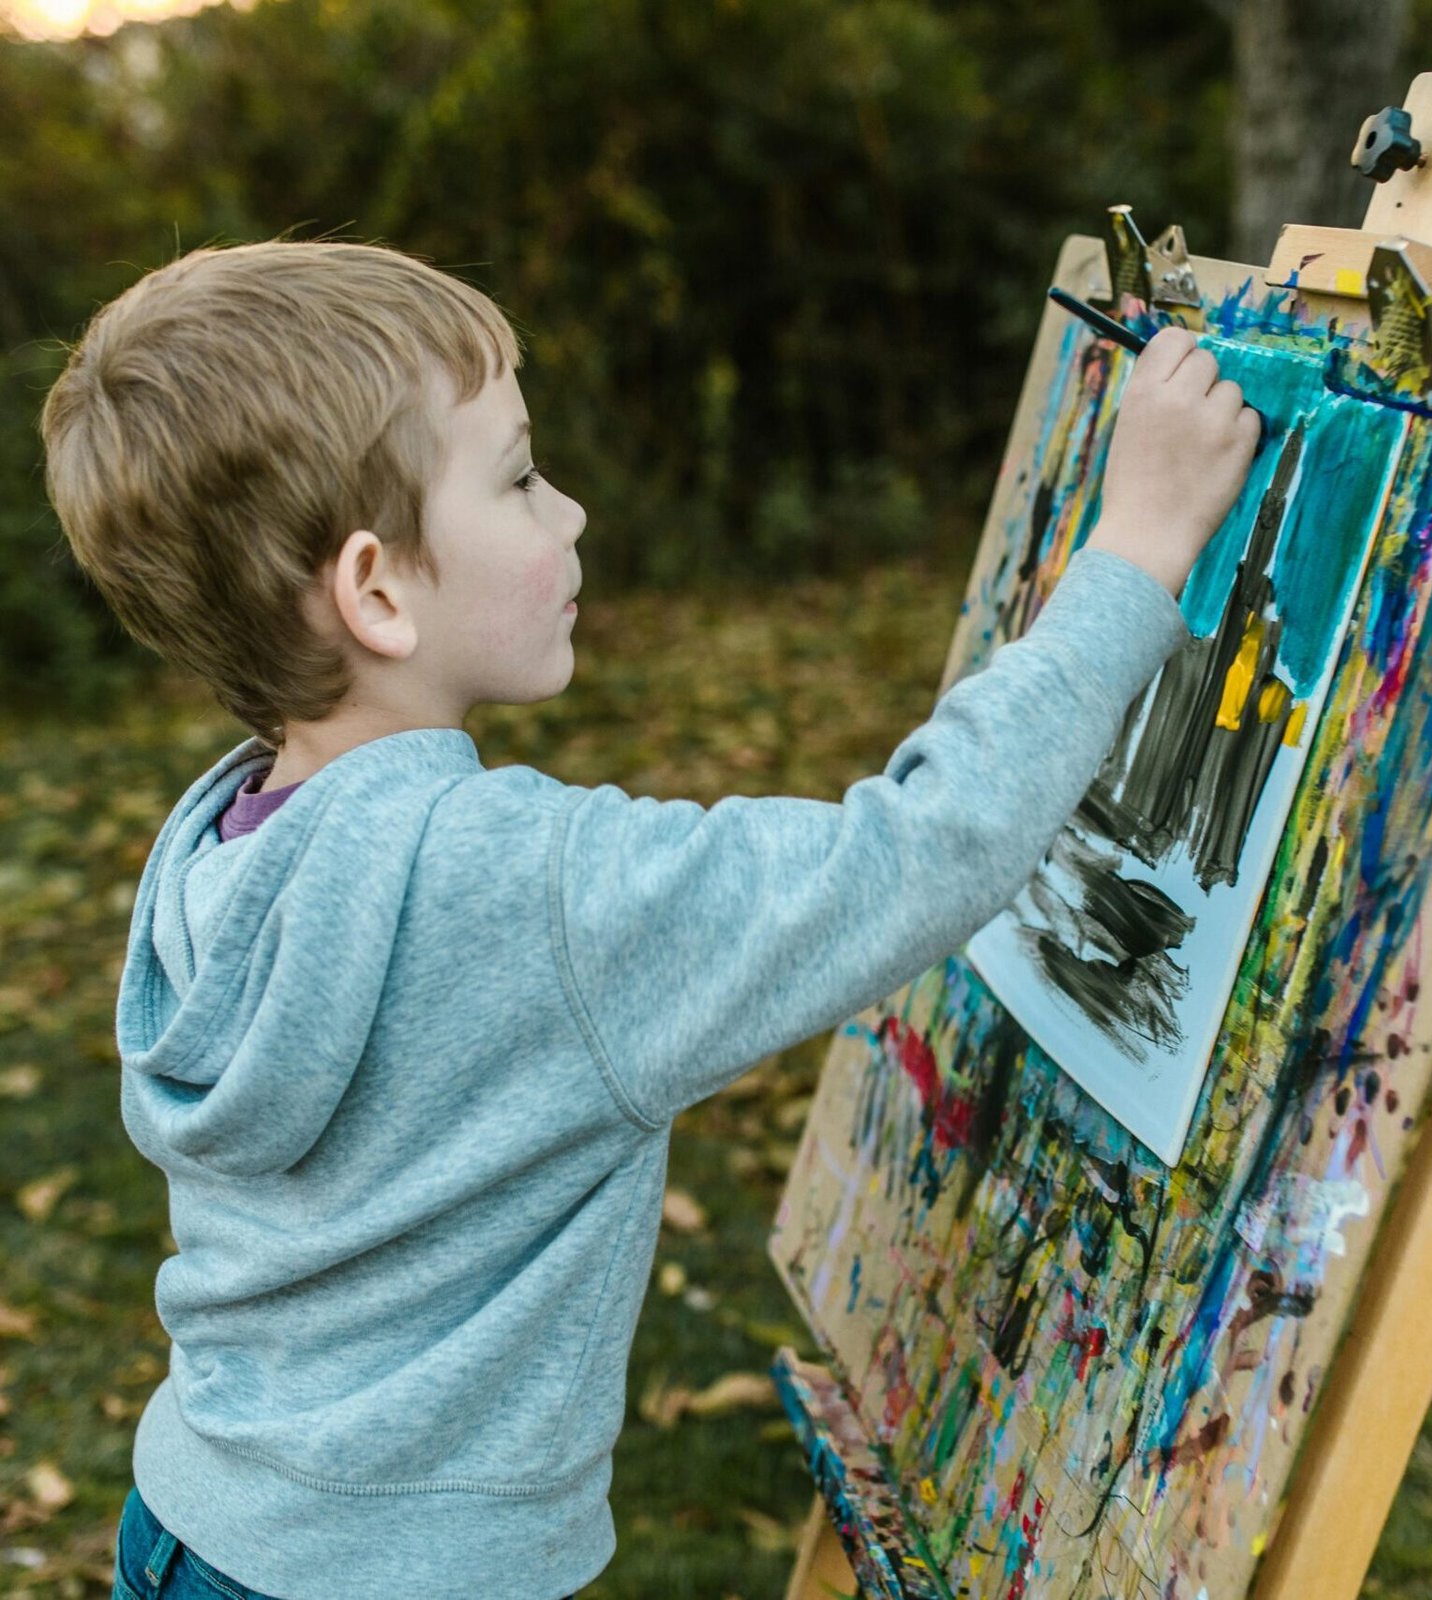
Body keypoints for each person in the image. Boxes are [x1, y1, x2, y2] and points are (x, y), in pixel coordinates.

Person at [38, 239, 1257, 1600]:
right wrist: (1136, 553)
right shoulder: (529, 889)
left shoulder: (213, 857)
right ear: (378, 591)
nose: (568, 517)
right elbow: (912, 859)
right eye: (516, 478)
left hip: (196, 1525)